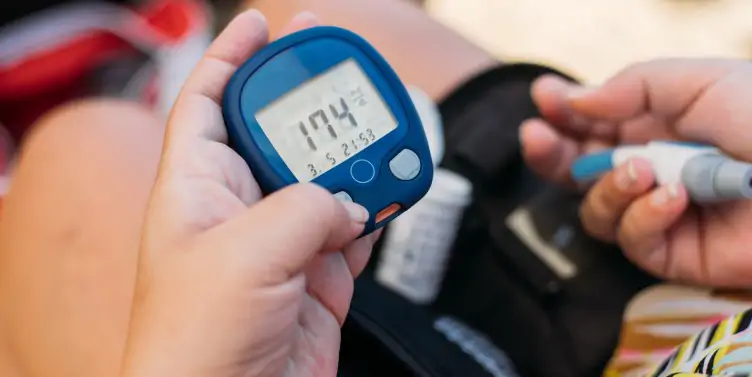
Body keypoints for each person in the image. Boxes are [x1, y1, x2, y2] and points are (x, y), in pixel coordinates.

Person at [0, 1, 751, 376]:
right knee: (337, 13)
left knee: (77, 148)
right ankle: (162, 85)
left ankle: (138, 92)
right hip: (680, 309)